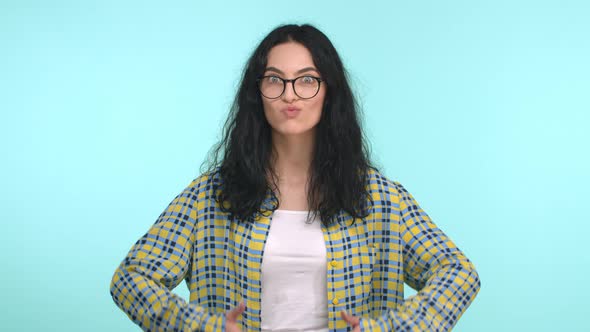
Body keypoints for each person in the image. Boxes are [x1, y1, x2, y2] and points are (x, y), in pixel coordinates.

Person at [109, 24, 480, 332]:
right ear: (258, 92)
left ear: (328, 91)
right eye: (275, 80)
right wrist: (201, 327)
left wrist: (389, 329)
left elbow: (459, 274)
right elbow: (131, 279)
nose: (291, 95)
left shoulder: (379, 198)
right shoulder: (211, 195)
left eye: (307, 80)